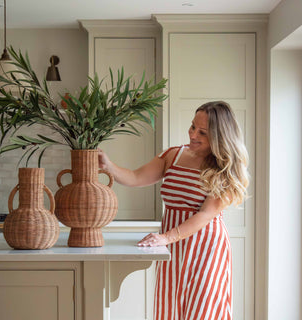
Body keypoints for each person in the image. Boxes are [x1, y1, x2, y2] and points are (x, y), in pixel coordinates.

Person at [98, 101, 249, 320]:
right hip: (172, 247)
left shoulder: (225, 168)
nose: (193, 135)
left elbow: (206, 214)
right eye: (192, 127)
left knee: (202, 311)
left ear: (219, 137)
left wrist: (166, 238)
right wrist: (108, 166)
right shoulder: (173, 155)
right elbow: (135, 177)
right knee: (169, 309)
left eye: (203, 132)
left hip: (205, 248)